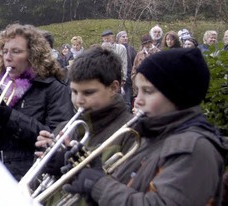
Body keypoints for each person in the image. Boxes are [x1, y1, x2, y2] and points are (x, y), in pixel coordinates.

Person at [62, 48, 227, 206]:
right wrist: (91, 177)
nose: (138, 100)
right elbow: (130, 190)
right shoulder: (153, 136)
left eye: (148, 91)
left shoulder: (195, 148)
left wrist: (98, 184)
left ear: (177, 95)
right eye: (138, 91)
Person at [0, 23, 73, 196]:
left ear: (33, 56)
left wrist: (10, 117)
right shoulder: (1, 88)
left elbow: (56, 140)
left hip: (32, 184)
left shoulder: (54, 89)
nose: (8, 57)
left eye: (16, 51)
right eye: (5, 51)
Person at [35, 46, 136, 205]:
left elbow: (125, 193)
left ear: (114, 88)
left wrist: (73, 167)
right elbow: (39, 188)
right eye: (74, 92)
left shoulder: (130, 132)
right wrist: (46, 164)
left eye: (88, 93)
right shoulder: (65, 127)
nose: (79, 100)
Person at [116, 31, 136, 108]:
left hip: (128, 79)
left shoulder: (131, 49)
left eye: (126, 36)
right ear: (118, 39)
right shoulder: (116, 48)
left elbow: (134, 63)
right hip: (118, 78)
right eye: (123, 37)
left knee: (127, 102)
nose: (125, 38)